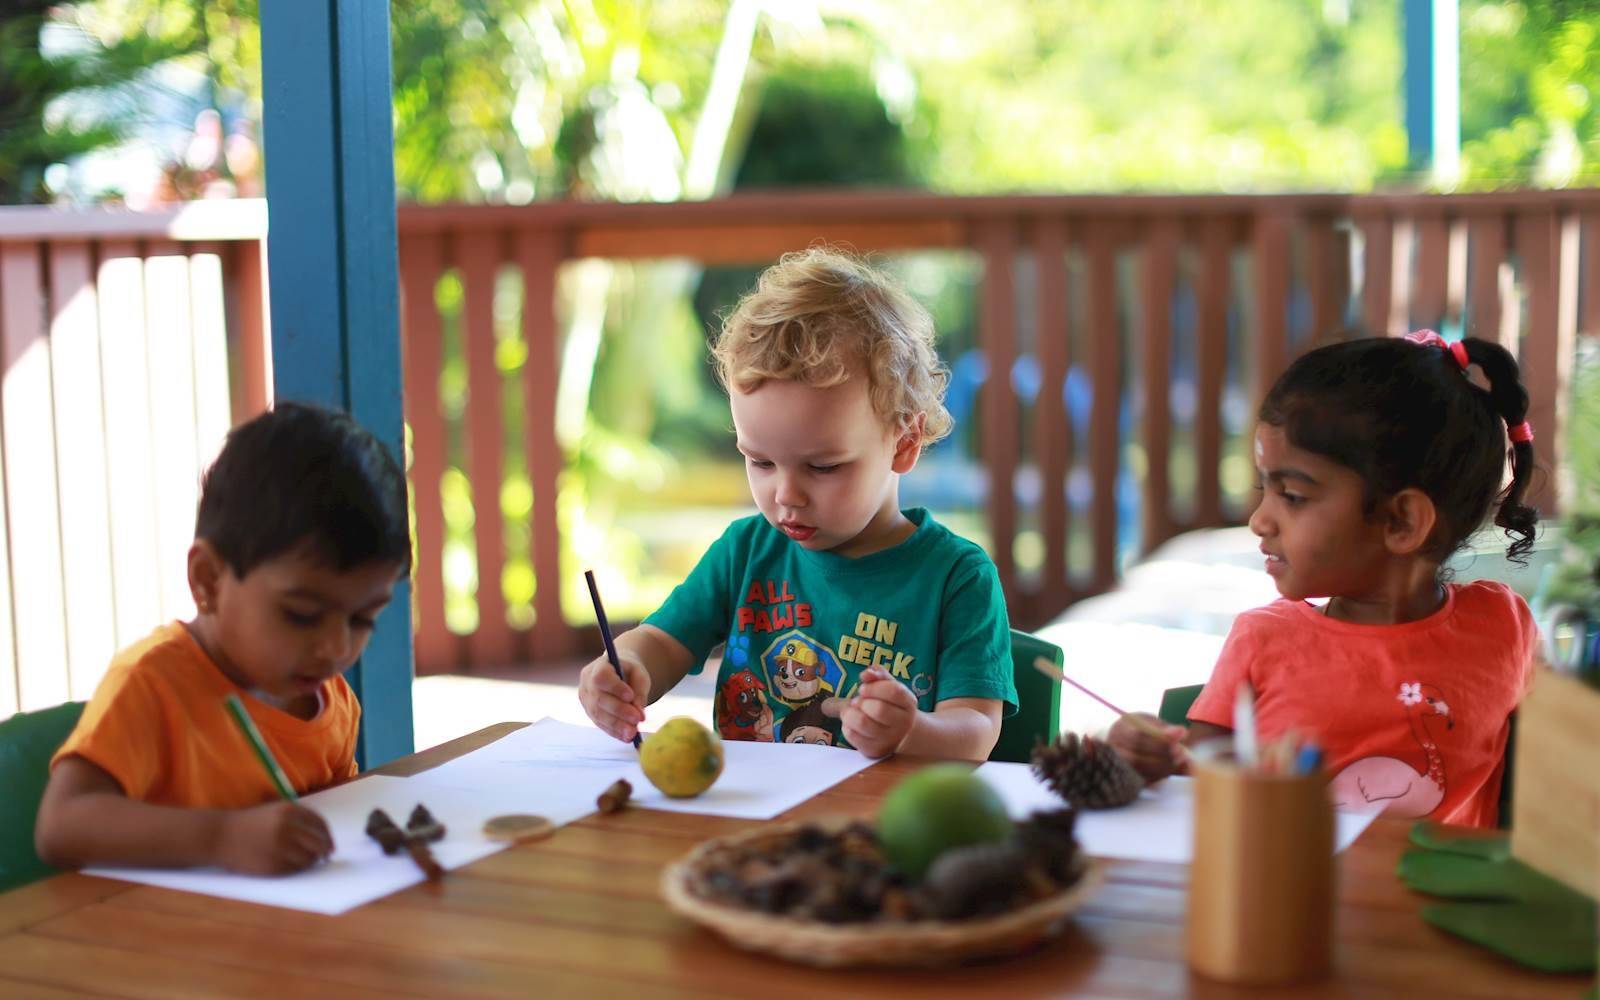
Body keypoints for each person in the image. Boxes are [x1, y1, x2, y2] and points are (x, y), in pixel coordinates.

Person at [578, 248, 1017, 759]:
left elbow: (975, 732)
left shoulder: (956, 577)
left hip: (881, 822)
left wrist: (910, 731)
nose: (785, 494)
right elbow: (662, 643)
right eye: (760, 462)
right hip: (751, 819)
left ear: (903, 442)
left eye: (823, 467)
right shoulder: (745, 551)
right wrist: (623, 669)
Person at [1111, 331, 1540, 827]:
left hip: (1435, 903)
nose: (1259, 520)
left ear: (1401, 522)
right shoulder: (1262, 640)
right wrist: (1146, 759)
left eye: (1291, 495)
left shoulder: (1503, 628)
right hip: (1283, 897)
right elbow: (1203, 792)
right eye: (1263, 488)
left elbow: (1558, 763)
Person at [35, 402, 411, 873]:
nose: (337, 648)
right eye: (301, 614)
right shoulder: (152, 685)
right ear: (208, 580)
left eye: (362, 619)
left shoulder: (330, 701)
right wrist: (221, 837)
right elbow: (61, 826)